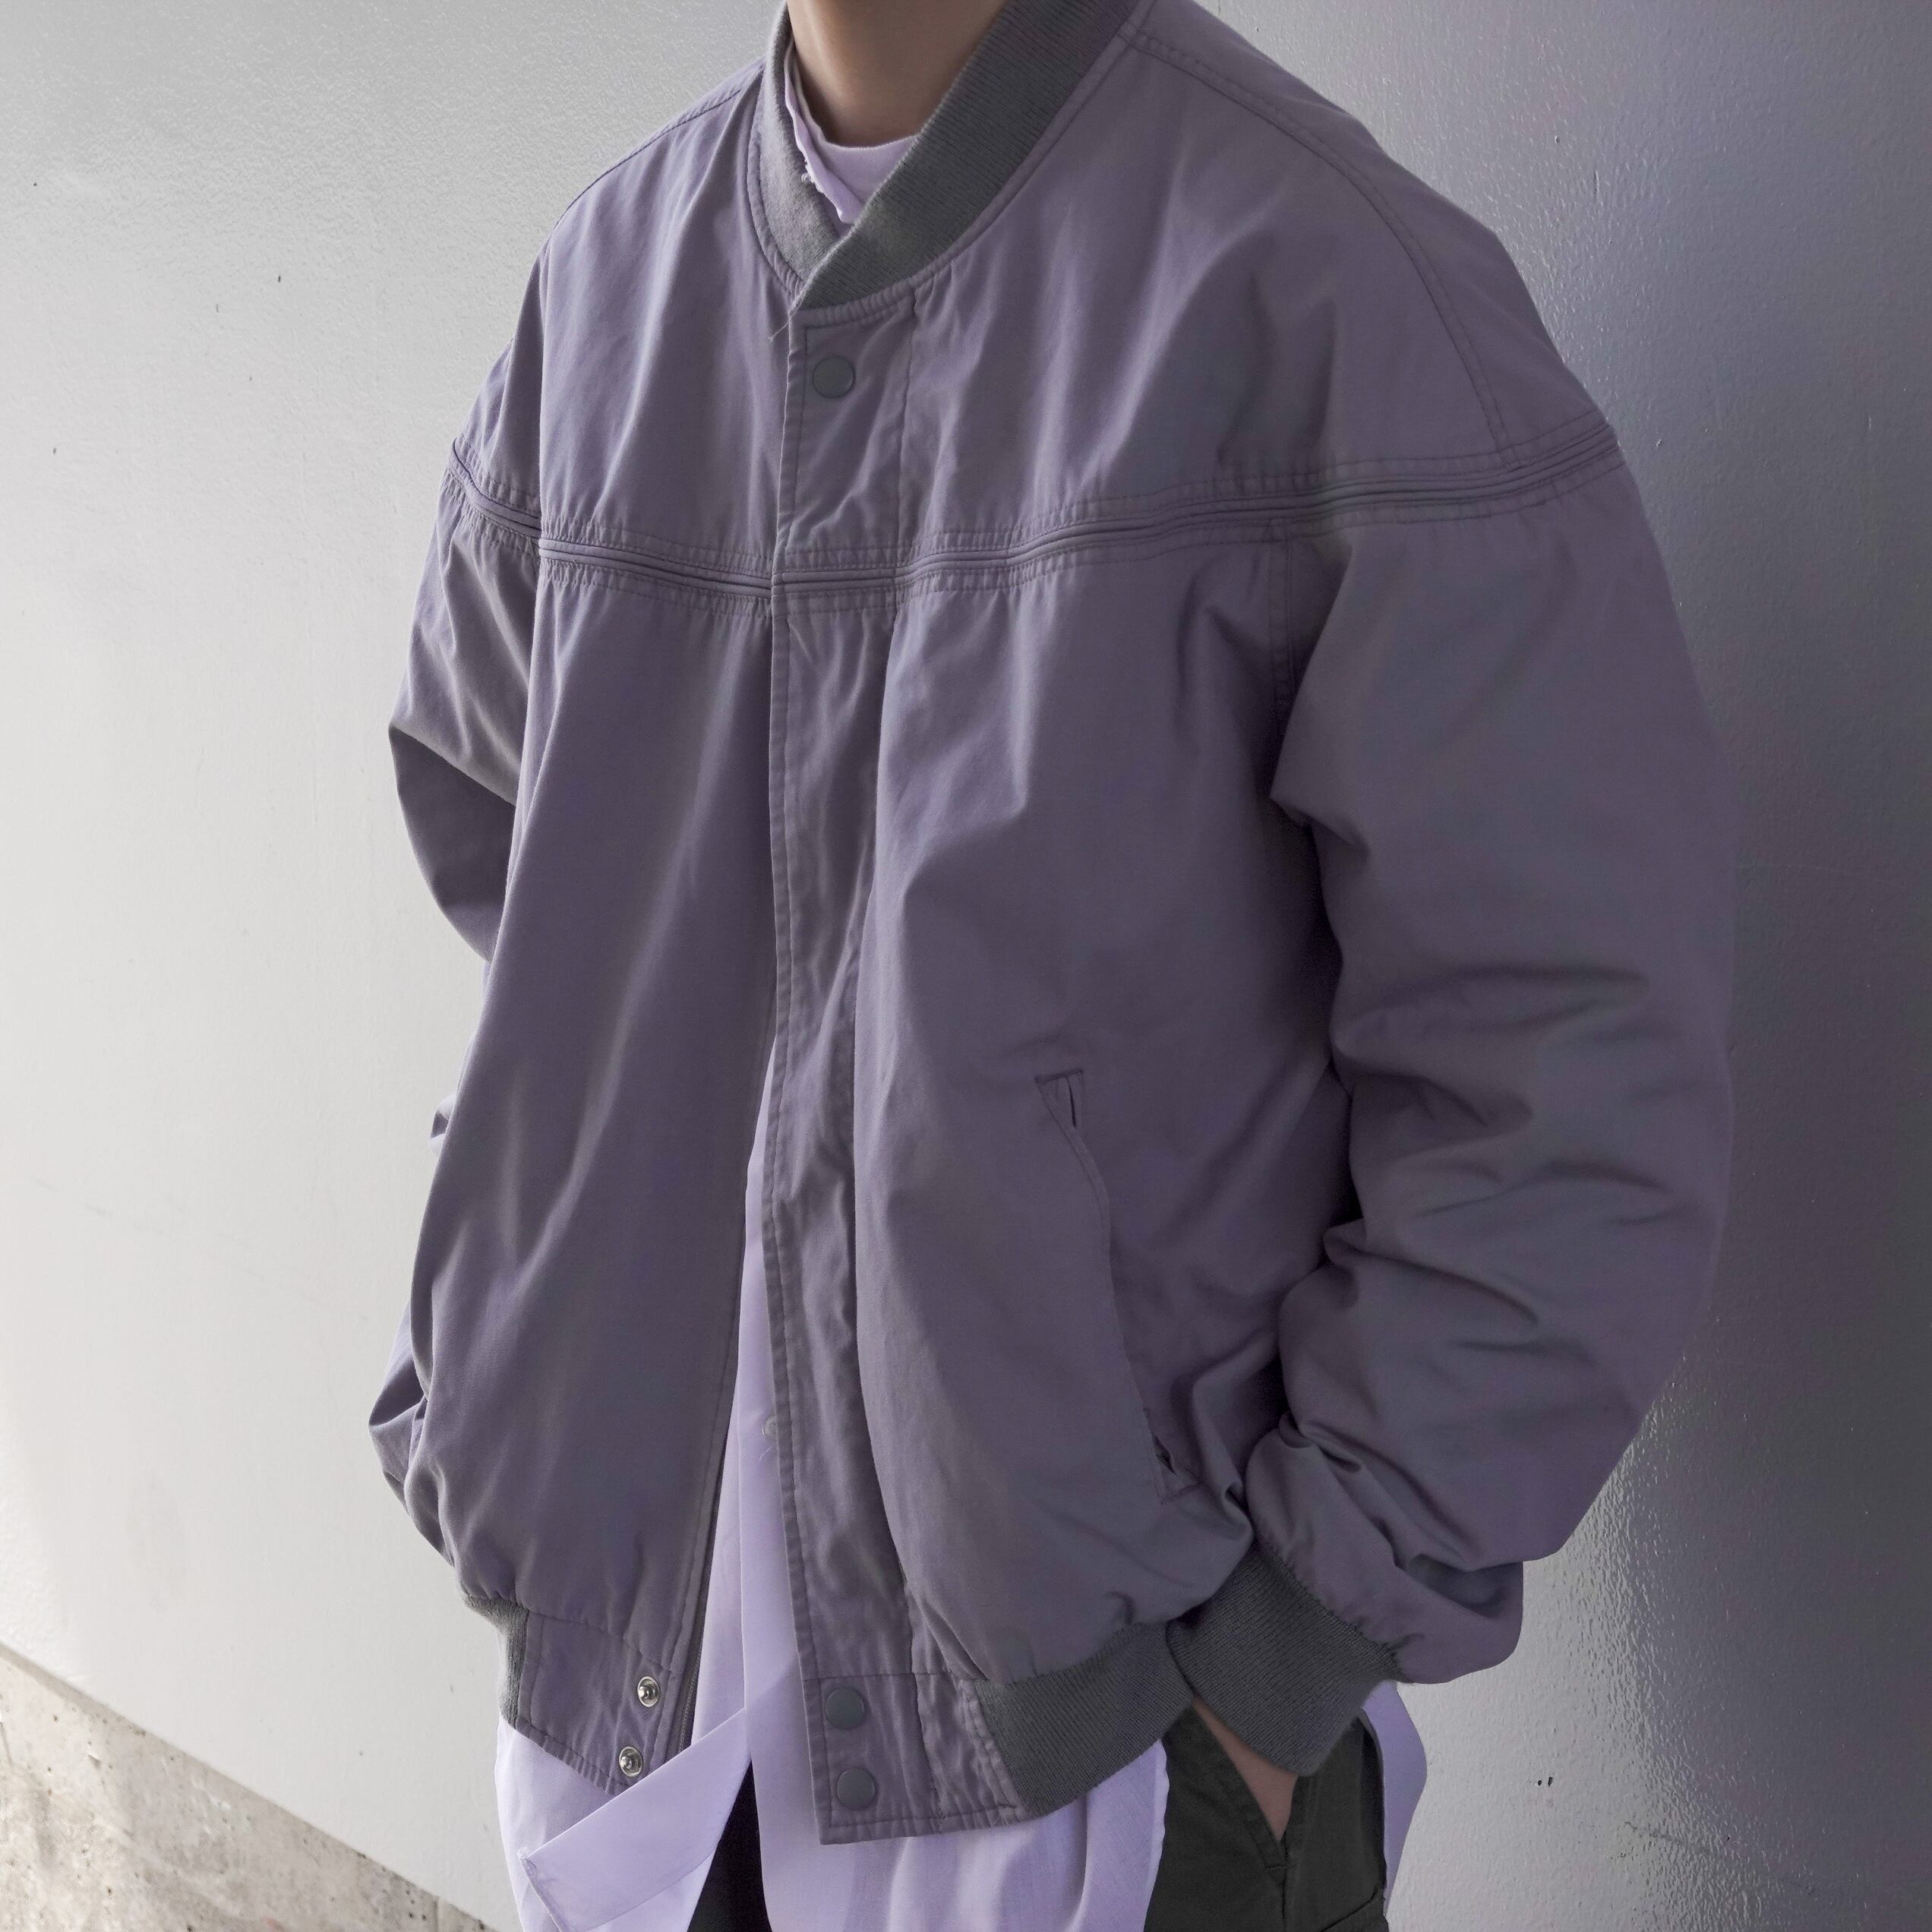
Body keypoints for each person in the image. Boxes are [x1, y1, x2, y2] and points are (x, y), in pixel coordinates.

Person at [368, 1, 1738, 1927]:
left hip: (1106, 1770)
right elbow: (524, 902)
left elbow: (1568, 1084)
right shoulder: (608, 280)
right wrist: (499, 1365)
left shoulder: (1326, 287)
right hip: (636, 1745)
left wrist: (1277, 1666)